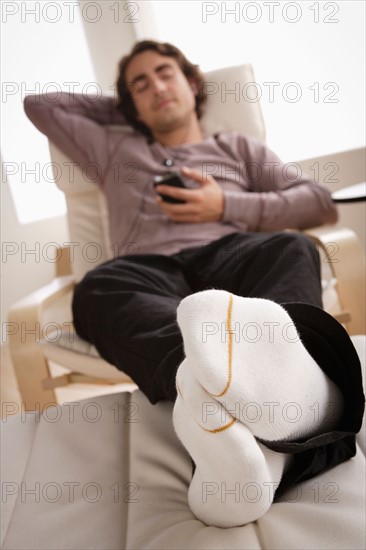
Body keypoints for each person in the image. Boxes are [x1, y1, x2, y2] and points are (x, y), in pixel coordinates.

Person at [24, 40, 364, 528]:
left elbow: (317, 202)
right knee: (97, 288)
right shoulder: (113, 148)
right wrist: (127, 106)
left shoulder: (234, 147)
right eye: (140, 84)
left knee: (291, 246)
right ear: (130, 103)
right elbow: (40, 105)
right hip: (148, 272)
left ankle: (255, 391)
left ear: (193, 83)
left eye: (166, 74)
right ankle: (214, 388)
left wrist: (226, 207)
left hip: (234, 254)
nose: (156, 86)